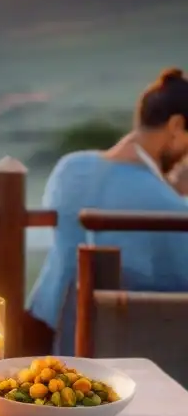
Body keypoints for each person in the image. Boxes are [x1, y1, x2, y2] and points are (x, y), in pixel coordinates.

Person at [27, 68, 188, 355]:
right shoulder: (166, 204)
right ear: (176, 126)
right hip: (109, 345)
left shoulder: (70, 167)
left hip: (44, 326)